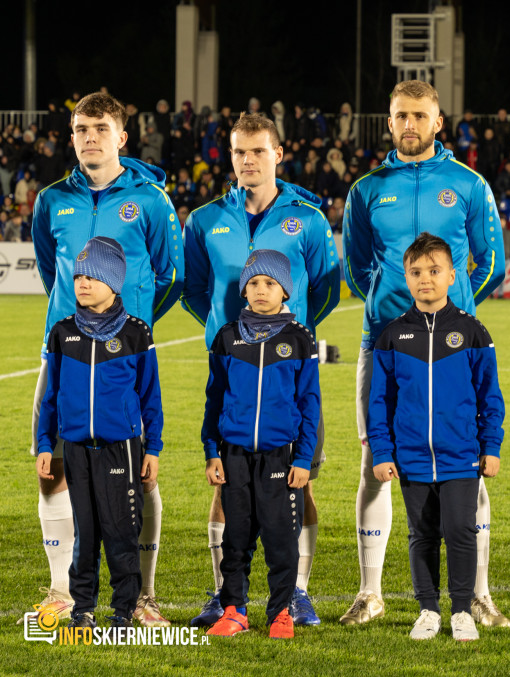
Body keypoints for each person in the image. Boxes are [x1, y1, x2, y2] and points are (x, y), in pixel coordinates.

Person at [341, 79, 506, 627]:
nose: (408, 125)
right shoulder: (367, 189)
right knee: (374, 462)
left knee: (469, 466)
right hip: (383, 342)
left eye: (419, 115)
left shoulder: (468, 184)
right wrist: (390, 305)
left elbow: (490, 262)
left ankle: (477, 592)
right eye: (399, 116)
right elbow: (357, 264)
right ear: (387, 123)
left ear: (439, 122)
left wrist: (453, 316)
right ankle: (370, 592)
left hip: (452, 347)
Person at [181, 112, 342, 628]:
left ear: (278, 154)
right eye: (239, 153)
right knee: (227, 485)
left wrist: (286, 341)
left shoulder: (309, 220)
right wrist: (225, 333)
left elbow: (326, 288)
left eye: (258, 151)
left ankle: (296, 592)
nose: (248, 161)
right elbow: (195, 291)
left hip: (285, 372)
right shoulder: (205, 219)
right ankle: (225, 594)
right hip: (231, 368)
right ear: (230, 157)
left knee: (299, 482)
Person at [29, 91, 182, 628]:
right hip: (65, 353)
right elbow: (53, 273)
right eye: (79, 129)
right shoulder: (51, 200)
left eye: (99, 128)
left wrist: (130, 323)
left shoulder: (153, 201)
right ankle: (60, 591)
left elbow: (170, 275)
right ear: (71, 136)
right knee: (53, 470)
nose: (89, 137)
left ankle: (143, 596)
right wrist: (75, 325)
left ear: (122, 136)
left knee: (140, 476)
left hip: (123, 356)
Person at [368, 233, 504, 641]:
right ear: (406, 279)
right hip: (410, 457)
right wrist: (381, 451)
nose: (425, 279)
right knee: (421, 534)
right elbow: (379, 402)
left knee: (461, 530)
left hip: (460, 455)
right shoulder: (392, 336)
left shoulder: (473, 331)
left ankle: (462, 610)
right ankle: (428, 609)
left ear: (452, 275)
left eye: (433, 271)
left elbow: (490, 396)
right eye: (416, 272)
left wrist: (491, 447)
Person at [37, 237, 164, 629]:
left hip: (120, 450)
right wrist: (45, 444)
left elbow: (150, 398)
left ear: (114, 281)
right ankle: (83, 609)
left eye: (92, 276)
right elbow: (51, 398)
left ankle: (123, 610)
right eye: (78, 276)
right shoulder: (62, 332)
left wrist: (153, 448)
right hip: (75, 448)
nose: (82, 283)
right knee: (85, 534)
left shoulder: (135, 333)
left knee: (121, 532)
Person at [202, 250, 319, 640]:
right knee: (235, 538)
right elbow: (214, 399)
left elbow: (309, 403)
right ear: (244, 291)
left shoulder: (299, 339)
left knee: (280, 539)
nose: (260, 290)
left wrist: (304, 458)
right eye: (253, 283)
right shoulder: (227, 337)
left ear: (285, 290)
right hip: (234, 455)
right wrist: (211, 451)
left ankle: (281, 612)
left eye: (269, 283)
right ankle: (234, 610)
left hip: (280, 457)